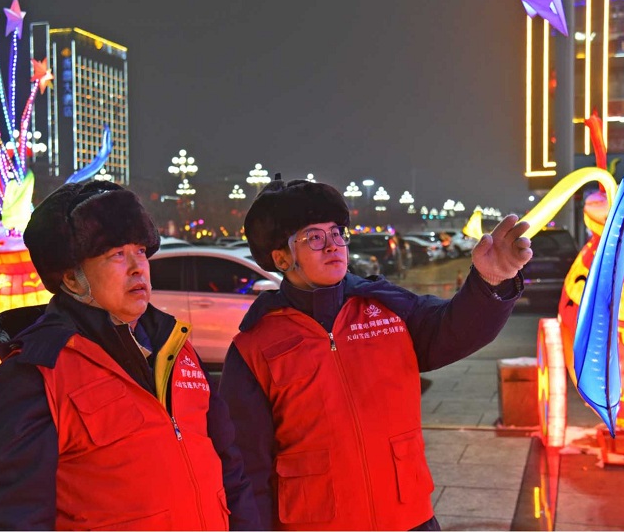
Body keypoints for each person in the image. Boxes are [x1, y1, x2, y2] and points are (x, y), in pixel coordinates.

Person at [218, 175, 532, 531]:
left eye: (337, 233)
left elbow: (455, 330)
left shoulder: (388, 308)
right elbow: (246, 467)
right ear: (281, 257)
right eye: (314, 237)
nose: (333, 246)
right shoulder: (255, 347)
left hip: (409, 519)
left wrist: (490, 280)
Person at [0, 181, 260, 530]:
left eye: (141, 251)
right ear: (72, 279)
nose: (138, 267)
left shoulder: (177, 349)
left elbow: (230, 471)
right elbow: (9, 518)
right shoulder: (34, 375)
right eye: (116, 255)